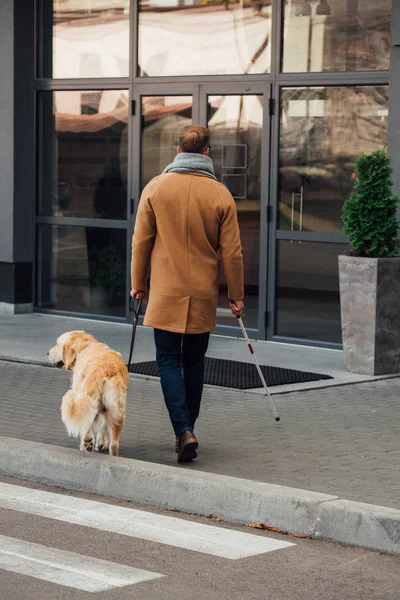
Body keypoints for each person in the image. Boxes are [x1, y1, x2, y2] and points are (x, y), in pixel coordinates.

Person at [131, 125, 244, 463]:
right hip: (202, 293)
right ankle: (187, 429)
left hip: (166, 291)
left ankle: (183, 430)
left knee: (167, 359)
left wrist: (139, 283)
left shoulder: (156, 187)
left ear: (178, 150)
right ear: (206, 153)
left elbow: (140, 243)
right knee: (194, 361)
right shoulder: (220, 194)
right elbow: (233, 252)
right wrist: (236, 295)